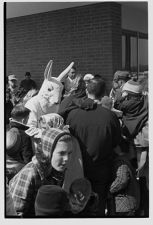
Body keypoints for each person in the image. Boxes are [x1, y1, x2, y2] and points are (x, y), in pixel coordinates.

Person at [59, 76, 121, 216]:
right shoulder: (110, 116)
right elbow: (116, 142)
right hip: (101, 171)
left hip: (77, 169)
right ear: (104, 93)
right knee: (96, 209)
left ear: (87, 92)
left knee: (75, 207)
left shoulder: (72, 114)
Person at [9, 127, 73, 217]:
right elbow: (15, 213)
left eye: (69, 153)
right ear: (48, 152)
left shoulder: (58, 169)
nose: (66, 159)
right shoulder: (29, 174)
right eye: (61, 153)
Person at [107, 151, 140, 217]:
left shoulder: (120, 162)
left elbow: (122, 180)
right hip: (125, 204)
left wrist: (108, 190)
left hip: (123, 205)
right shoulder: (124, 161)